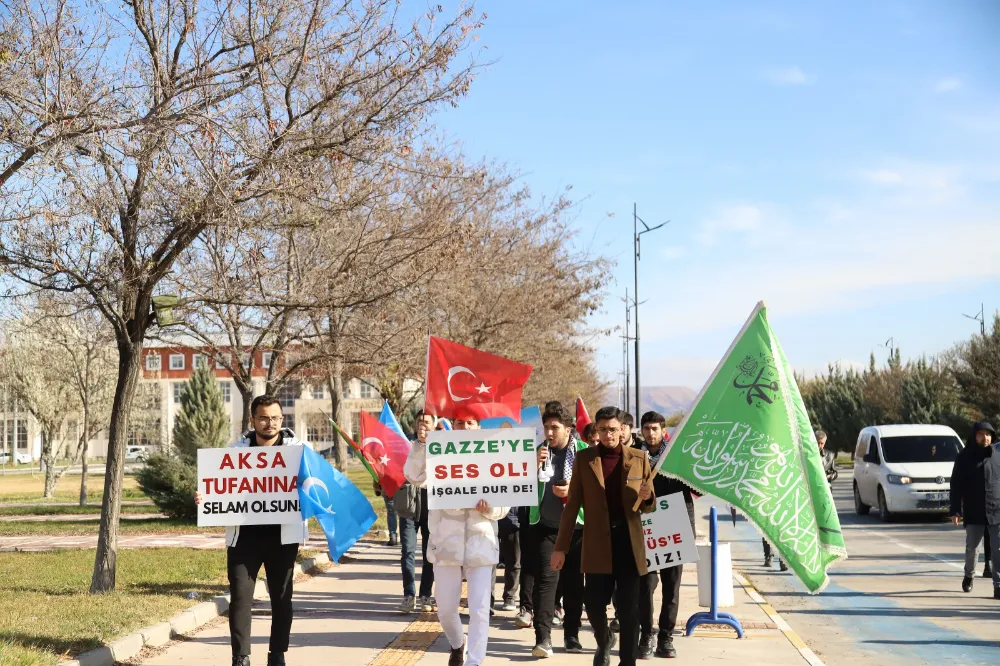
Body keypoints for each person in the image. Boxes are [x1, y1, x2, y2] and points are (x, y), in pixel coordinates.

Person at [194, 395, 310, 666]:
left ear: (282, 419)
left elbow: (313, 486)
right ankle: (241, 656)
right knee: (240, 597)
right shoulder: (234, 453)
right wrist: (205, 498)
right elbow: (219, 488)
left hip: (283, 535)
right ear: (253, 420)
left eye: (275, 418)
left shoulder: (300, 451)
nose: (270, 423)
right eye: (264, 418)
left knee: (281, 598)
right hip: (244, 536)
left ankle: (277, 654)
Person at [404, 407, 509, 666]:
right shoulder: (439, 450)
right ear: (453, 425)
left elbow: (505, 503)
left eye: (471, 422)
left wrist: (491, 508)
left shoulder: (492, 453)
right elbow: (414, 476)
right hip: (446, 543)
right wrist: (421, 444)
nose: (465, 427)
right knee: (447, 609)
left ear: (479, 427)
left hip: (480, 543)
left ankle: (474, 661)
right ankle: (457, 644)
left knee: (480, 609)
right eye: (460, 422)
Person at [552, 406, 656, 666]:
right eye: (602, 429)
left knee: (629, 610)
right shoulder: (585, 459)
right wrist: (560, 548)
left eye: (612, 429)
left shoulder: (639, 458)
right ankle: (604, 639)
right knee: (594, 604)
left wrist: (648, 497)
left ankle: (627, 661)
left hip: (629, 543)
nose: (608, 435)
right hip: (597, 542)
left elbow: (649, 504)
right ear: (596, 431)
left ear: (623, 430)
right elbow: (572, 504)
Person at [525, 403, 588, 658]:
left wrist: (573, 490)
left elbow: (597, 491)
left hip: (577, 529)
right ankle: (543, 639)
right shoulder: (536, 451)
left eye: (555, 428)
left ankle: (571, 634)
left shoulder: (585, 453)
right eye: (546, 427)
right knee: (546, 584)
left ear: (569, 428)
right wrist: (530, 464)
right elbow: (514, 483)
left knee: (574, 585)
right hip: (546, 528)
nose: (549, 433)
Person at [635, 411, 696, 659]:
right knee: (646, 585)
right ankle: (646, 635)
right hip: (645, 527)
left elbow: (693, 485)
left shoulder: (677, 455)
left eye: (654, 429)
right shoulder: (635, 456)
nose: (650, 434)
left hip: (674, 526)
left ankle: (666, 638)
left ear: (663, 430)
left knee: (672, 586)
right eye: (646, 429)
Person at [950, 421, 1000, 597]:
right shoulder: (964, 457)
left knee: (998, 549)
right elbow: (956, 485)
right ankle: (969, 575)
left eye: (988, 434)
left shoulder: (997, 457)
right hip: (974, 510)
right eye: (981, 434)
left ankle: (998, 585)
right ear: (974, 436)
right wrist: (955, 510)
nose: (985, 437)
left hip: (996, 511)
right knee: (973, 549)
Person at [396, 411, 436, 613]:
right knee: (408, 550)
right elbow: (403, 471)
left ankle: (426, 595)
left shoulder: (440, 446)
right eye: (420, 422)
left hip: (431, 501)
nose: (424, 426)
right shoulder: (407, 446)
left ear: (434, 425)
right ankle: (408, 594)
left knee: (430, 552)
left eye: (427, 422)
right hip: (409, 502)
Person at [373, 481, 399, 546]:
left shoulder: (385, 470)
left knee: (391, 513)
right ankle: (405, 536)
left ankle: (393, 537)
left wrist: (376, 487)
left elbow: (377, 474)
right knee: (404, 513)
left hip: (388, 487)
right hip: (402, 488)